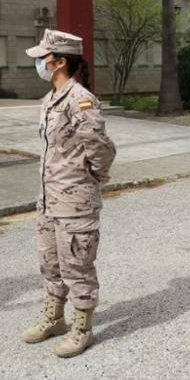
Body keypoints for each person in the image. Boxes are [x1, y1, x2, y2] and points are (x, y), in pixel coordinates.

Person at [20, 29, 116, 358]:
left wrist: (92, 179)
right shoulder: (49, 101)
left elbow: (101, 149)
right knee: (50, 262)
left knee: (78, 265)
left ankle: (83, 327)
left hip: (75, 201)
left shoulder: (81, 100)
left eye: (43, 59)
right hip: (49, 199)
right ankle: (55, 318)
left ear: (59, 62)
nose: (40, 65)